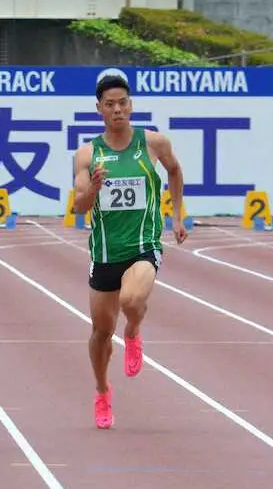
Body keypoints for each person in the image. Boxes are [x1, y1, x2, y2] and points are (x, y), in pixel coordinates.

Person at [71, 72, 188, 430]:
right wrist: (93, 187)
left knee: (132, 300)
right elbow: (79, 207)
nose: (118, 109)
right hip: (106, 252)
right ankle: (102, 390)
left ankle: (134, 332)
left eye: (123, 103)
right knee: (101, 333)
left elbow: (175, 170)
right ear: (99, 109)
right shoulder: (88, 153)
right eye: (110, 105)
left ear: (131, 105)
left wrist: (177, 215)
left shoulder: (153, 143)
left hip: (144, 245)